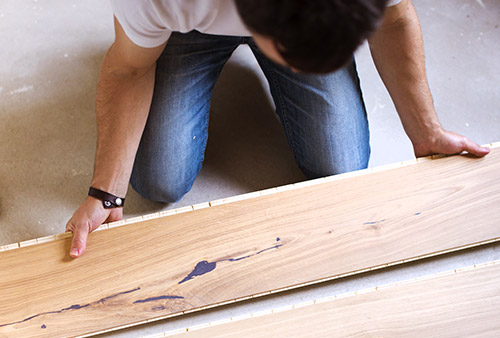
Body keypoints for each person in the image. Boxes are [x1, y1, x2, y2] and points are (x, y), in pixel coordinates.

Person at [66, 0, 489, 258]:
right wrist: (105, 192)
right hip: (188, 28)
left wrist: (426, 132)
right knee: (160, 178)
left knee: (341, 167)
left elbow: (394, 21)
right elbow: (129, 69)